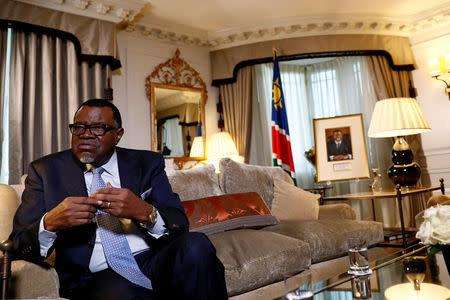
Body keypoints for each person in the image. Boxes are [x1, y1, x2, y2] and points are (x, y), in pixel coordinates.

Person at [9, 99, 228, 300]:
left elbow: (179, 223)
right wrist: (49, 223)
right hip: (96, 274)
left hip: (153, 259)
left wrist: (145, 212)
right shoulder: (45, 171)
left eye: (97, 128)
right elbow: (16, 246)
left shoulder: (146, 163)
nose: (85, 134)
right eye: (79, 127)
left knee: (197, 244)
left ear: (118, 134)